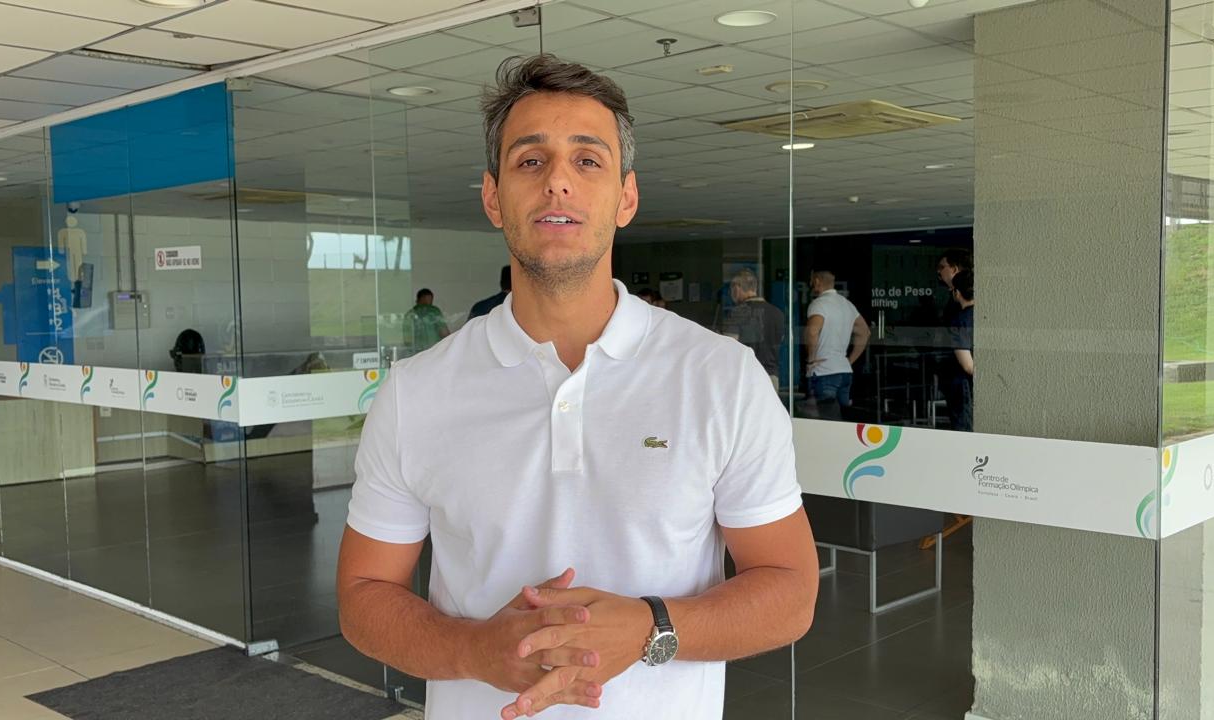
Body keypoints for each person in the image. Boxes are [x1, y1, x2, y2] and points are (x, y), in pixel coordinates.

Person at [337, 54, 817, 720]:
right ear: (493, 196)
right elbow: (363, 595)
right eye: (530, 160)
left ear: (626, 197)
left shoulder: (721, 377)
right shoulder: (416, 392)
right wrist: (473, 651)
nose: (558, 181)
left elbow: (790, 593)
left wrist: (652, 628)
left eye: (588, 160)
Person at [804, 270, 870, 412]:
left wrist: (811, 360)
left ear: (817, 282)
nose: (810, 285)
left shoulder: (818, 304)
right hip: (844, 371)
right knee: (842, 420)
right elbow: (865, 332)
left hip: (823, 372)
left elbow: (812, 331)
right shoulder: (847, 305)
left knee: (824, 419)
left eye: (811, 281)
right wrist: (849, 361)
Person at [719, 268, 785, 391]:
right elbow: (780, 340)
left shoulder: (737, 313)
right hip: (772, 377)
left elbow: (729, 346)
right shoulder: (778, 313)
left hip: (747, 377)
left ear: (737, 288)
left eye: (731, 289)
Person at [946, 270, 975, 431]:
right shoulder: (985, 316)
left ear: (957, 293)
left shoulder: (959, 320)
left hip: (964, 387)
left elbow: (967, 365)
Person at [403, 289, 450, 353]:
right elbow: (444, 333)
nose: (431, 302)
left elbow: (407, 341)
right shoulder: (434, 311)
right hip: (434, 352)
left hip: (416, 354)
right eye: (430, 299)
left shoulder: (409, 314)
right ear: (423, 298)